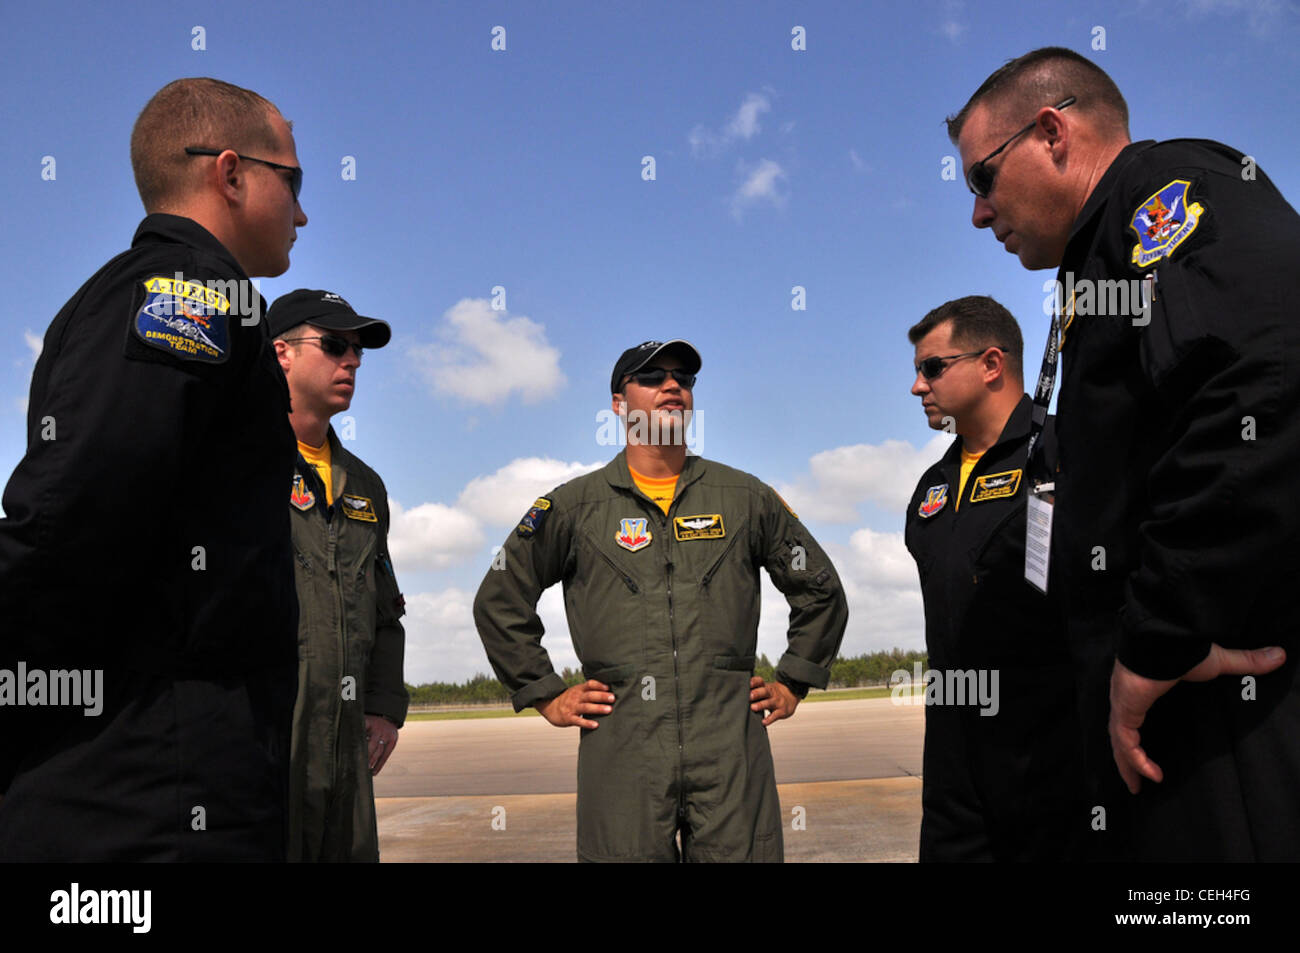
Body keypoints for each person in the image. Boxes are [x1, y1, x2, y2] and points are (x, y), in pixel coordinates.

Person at [948, 47, 1300, 860]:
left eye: (981, 180)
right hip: (1168, 710)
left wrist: (1161, 633)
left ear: (1051, 132)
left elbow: (1272, 363)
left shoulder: (1162, 194)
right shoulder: (1098, 258)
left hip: (1216, 707)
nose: (977, 213)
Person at [0, 77, 307, 860]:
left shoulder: (195, 298)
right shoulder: (186, 296)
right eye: (293, 182)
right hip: (146, 793)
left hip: (168, 773)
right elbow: (74, 521)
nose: (303, 212)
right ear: (230, 173)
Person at [473, 340, 848, 862]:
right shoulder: (573, 506)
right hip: (622, 745)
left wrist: (793, 680)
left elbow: (821, 589)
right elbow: (499, 598)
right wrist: (545, 693)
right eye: (652, 377)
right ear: (618, 404)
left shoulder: (744, 497)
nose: (673, 386)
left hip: (729, 745)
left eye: (683, 378)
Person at [904, 295, 1084, 862]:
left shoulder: (1064, 453)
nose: (917, 386)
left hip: (1056, 763)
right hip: (954, 773)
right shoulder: (930, 488)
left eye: (931, 367)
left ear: (990, 364)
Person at [267, 289, 408, 863]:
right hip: (269, 738)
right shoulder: (237, 461)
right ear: (282, 353)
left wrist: (382, 706)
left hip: (347, 746)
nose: (350, 360)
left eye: (356, 351)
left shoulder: (365, 485)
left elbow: (386, 608)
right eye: (333, 345)